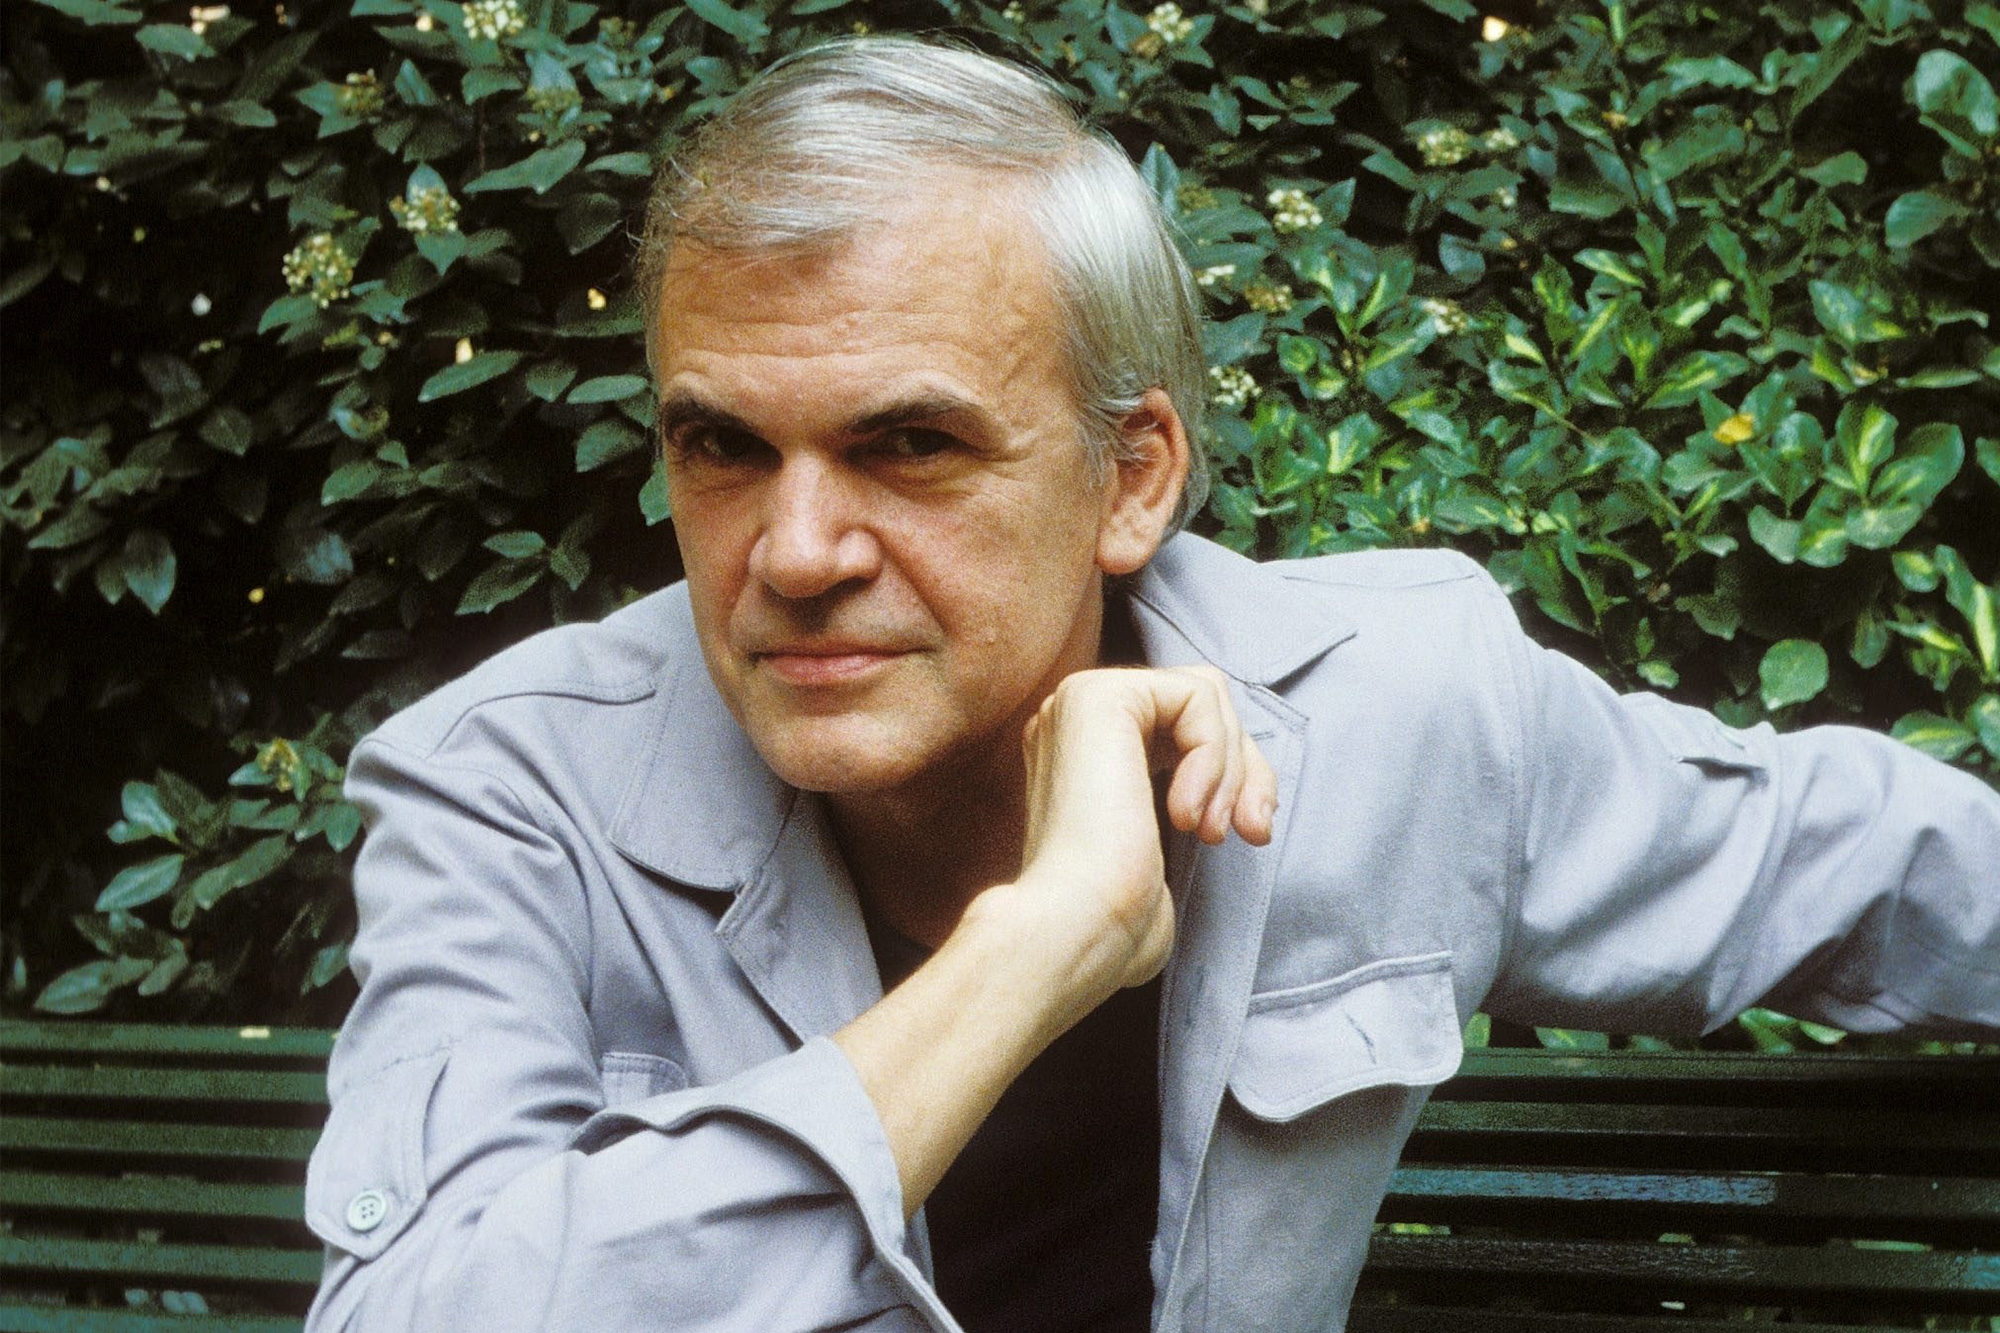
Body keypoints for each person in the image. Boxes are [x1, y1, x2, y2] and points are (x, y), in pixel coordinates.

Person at [302, 35, 2000, 1333]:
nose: (797, 547)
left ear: (1132, 481)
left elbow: (1853, 862)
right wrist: (1033, 954)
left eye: (909, 444)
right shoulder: (505, 788)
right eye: (723, 446)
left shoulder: (1392, 712)